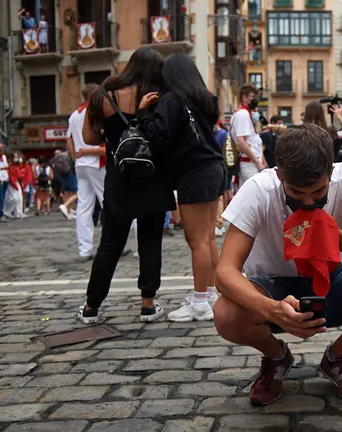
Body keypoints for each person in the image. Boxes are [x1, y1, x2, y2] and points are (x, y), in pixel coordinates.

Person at [214, 124, 342, 406]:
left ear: (330, 173)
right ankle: (276, 356)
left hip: (335, 280)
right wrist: (273, 309)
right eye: (296, 193)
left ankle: (338, 357)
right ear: (280, 175)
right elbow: (224, 273)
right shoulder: (259, 188)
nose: (308, 202)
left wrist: (334, 235)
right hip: (274, 286)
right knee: (225, 313)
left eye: (318, 191)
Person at [78, 46, 174, 324]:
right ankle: (147, 304)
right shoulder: (159, 95)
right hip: (154, 177)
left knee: (109, 243)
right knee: (150, 241)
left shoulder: (105, 92)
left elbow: (89, 137)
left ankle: (91, 307)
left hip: (119, 178)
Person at [137, 53, 227, 323]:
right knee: (208, 238)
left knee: (196, 240)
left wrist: (143, 112)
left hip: (194, 173)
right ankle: (208, 293)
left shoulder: (172, 99)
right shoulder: (202, 100)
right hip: (213, 167)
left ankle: (199, 301)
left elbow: (159, 136)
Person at [70, 83, 107, 260]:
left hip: (81, 164)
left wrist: (76, 157)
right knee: (109, 202)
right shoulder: (94, 112)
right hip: (96, 162)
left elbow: (69, 140)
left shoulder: (73, 115)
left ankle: (85, 249)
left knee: (84, 207)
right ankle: (110, 245)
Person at [231, 84, 265, 186]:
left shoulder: (244, 113)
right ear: (244, 97)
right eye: (253, 97)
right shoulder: (243, 114)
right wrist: (257, 161)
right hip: (249, 163)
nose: (255, 100)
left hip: (250, 163)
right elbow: (241, 141)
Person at [4, 153, 25, 219]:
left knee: (19, 199)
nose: (17, 158)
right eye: (16, 156)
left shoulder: (16, 165)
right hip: (12, 183)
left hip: (16, 182)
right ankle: (7, 212)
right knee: (14, 198)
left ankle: (18, 213)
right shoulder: (10, 166)